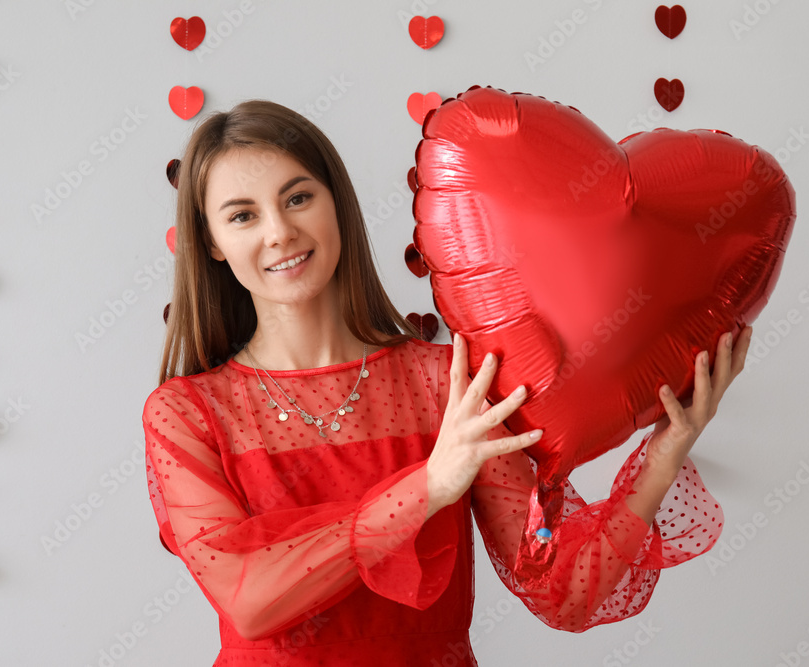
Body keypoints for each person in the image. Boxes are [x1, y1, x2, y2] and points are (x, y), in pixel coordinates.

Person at [141, 99, 752, 666]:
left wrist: (665, 453)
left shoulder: (449, 383)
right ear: (214, 244)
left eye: (298, 198)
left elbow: (563, 593)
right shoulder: (187, 413)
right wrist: (427, 488)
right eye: (242, 215)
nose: (278, 232)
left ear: (337, 206)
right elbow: (251, 601)